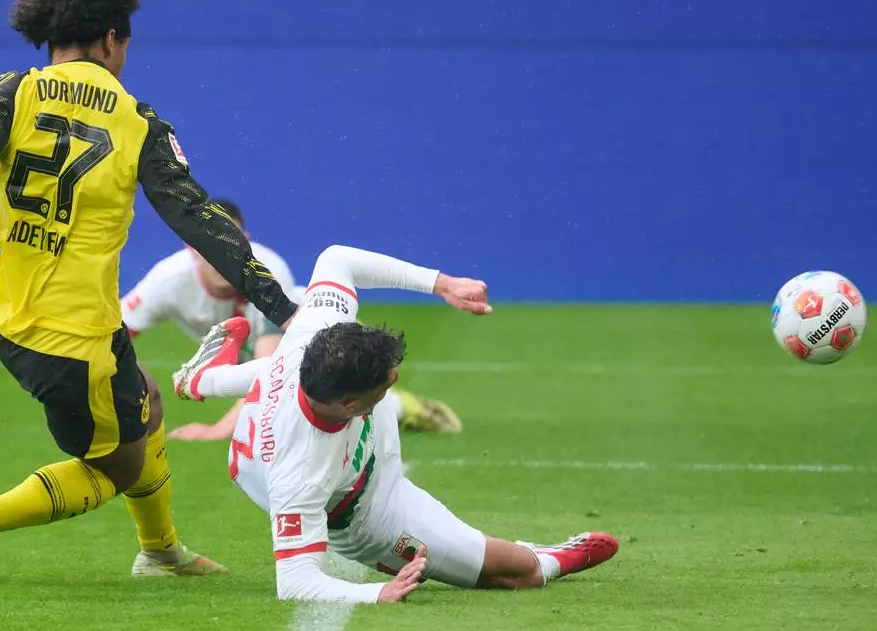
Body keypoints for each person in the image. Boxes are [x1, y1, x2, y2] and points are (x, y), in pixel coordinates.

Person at [0, 0, 299, 582]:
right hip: (75, 337)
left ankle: (162, 552)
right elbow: (202, 223)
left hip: (14, 316)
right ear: (112, 38)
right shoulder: (139, 123)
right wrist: (285, 309)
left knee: (143, 397)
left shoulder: (13, 91)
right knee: (119, 468)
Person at [173, 245, 619, 602]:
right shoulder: (300, 473)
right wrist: (376, 593)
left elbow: (337, 258)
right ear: (351, 403)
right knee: (517, 574)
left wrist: (443, 284)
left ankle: (202, 379)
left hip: (341, 429)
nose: (397, 379)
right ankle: (544, 558)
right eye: (386, 382)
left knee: (287, 366)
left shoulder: (316, 334)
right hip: (364, 509)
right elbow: (295, 583)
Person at [124, 197, 463, 440]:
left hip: (315, 346)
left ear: (245, 242)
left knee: (330, 402)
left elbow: (273, 370)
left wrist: (218, 430)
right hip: (255, 360)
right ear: (191, 247)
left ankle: (405, 407)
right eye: (209, 242)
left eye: (231, 241)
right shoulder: (167, 281)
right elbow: (117, 333)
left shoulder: (267, 273)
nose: (221, 252)